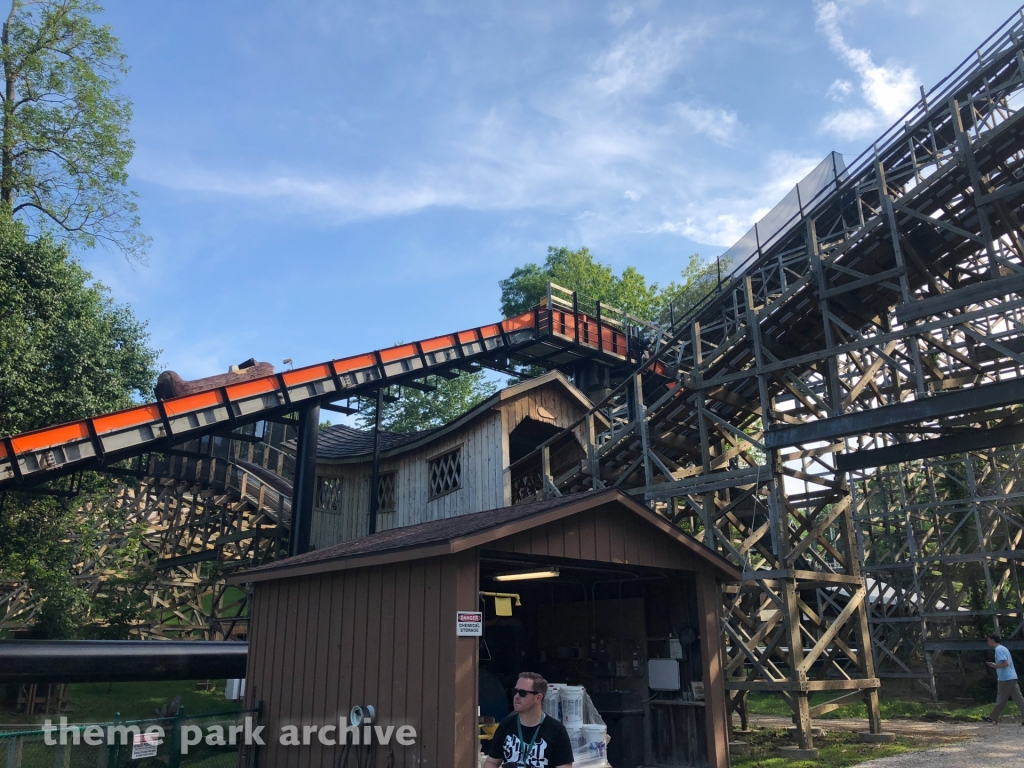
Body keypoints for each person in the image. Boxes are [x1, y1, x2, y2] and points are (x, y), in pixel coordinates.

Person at [484, 672, 574, 768]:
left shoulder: (556, 730)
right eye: (515, 691)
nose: (516, 696)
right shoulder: (506, 725)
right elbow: (491, 761)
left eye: (522, 693)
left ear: (538, 698)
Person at [982, 633, 1024, 725]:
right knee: (1018, 699)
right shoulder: (1003, 648)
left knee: (1001, 698)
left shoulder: (998, 649)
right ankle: (993, 718)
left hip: (1005, 678)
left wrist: (995, 666)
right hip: (1011, 677)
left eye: (988, 640)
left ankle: (992, 718)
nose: (988, 642)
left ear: (993, 640)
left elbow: (1006, 663)